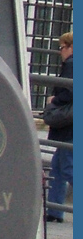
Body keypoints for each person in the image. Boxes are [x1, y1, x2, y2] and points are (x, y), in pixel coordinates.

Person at [46, 31, 73, 222]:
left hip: (69, 123)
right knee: (56, 166)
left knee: (67, 167)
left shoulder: (72, 64)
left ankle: (55, 211)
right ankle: (55, 212)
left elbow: (71, 92)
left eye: (62, 47)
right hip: (69, 123)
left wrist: (54, 99)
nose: (60, 52)